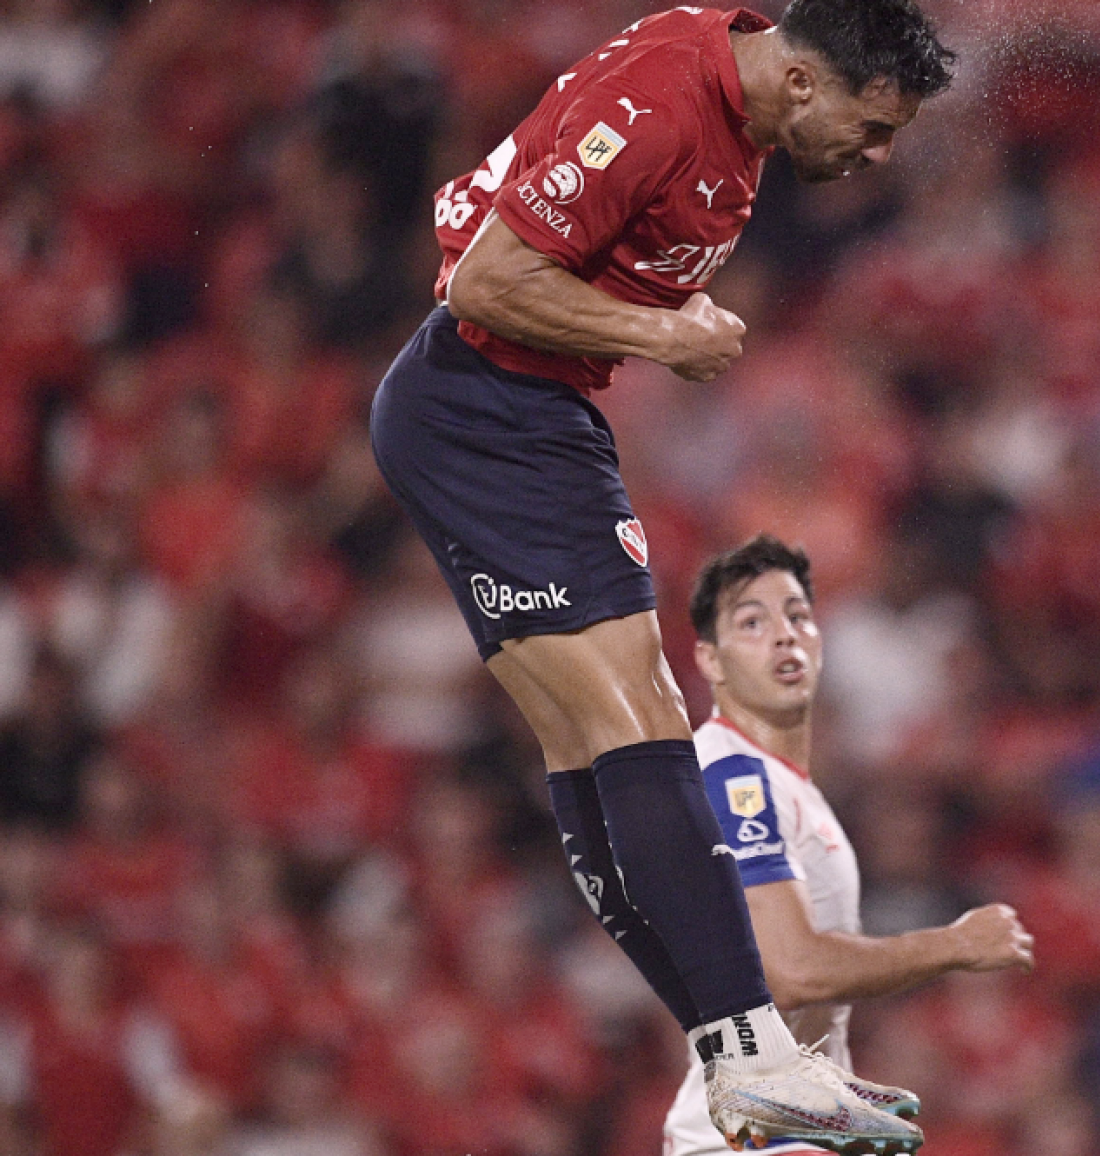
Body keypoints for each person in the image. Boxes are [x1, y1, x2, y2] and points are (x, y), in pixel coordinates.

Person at [364, 2, 956, 1150]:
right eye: (873, 127)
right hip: (487, 409)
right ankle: (751, 1050)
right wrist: (667, 337)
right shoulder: (660, 108)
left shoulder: (731, 80)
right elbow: (484, 285)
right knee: (642, 721)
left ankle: (750, 1058)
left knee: (596, 740)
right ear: (800, 84)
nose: (878, 155)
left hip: (516, 414)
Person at [665, 534, 1036, 1156]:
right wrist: (956, 944)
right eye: (752, 623)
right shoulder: (735, 777)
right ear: (711, 661)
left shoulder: (791, 786)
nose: (784, 637)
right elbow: (793, 971)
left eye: (798, 617)